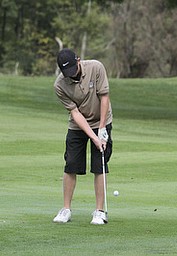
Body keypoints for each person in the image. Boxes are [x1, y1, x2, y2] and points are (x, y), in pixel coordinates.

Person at [53, 48, 113, 225]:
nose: (70, 75)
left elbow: (104, 97)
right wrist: (93, 137)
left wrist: (101, 129)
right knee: (71, 164)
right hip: (77, 125)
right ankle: (66, 209)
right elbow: (75, 113)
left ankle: (99, 211)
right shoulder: (59, 85)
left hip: (101, 120)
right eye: (67, 73)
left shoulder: (96, 68)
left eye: (73, 70)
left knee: (99, 165)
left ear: (78, 60)